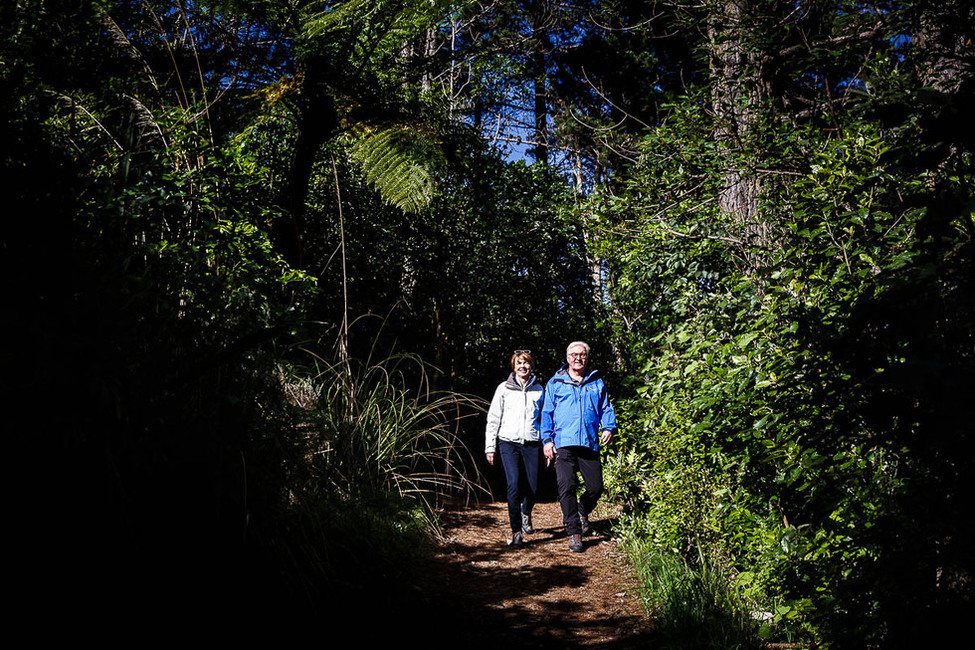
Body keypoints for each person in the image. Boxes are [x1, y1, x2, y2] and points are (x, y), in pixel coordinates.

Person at [541, 341, 617, 553]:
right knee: (567, 486)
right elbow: (546, 413)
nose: (578, 358)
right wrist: (547, 440)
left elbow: (606, 408)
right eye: (574, 354)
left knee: (596, 487)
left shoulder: (596, 382)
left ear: (587, 358)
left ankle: (581, 510)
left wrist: (608, 427)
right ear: (567, 358)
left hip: (589, 442)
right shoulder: (555, 382)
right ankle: (574, 532)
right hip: (563, 443)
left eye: (582, 355)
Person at [485, 349, 545, 549]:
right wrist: (490, 447)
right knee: (513, 484)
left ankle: (526, 512)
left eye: (526, 363)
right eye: (519, 363)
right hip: (507, 442)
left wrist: (547, 444)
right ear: (514, 366)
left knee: (533, 486)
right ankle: (516, 532)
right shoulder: (504, 388)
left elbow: (545, 420)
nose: (523, 366)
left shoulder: (539, 389)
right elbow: (493, 418)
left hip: (532, 443)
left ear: (531, 366)